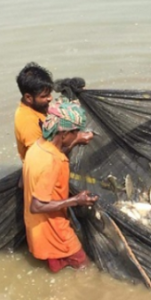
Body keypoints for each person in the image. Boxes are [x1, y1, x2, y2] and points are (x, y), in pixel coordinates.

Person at [22, 101, 97, 273]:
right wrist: (76, 200)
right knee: (85, 268)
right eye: (75, 132)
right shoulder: (53, 162)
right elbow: (37, 205)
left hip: (36, 230)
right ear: (63, 134)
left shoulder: (37, 147)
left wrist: (76, 141)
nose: (78, 134)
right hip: (55, 231)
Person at [14, 62, 54, 161]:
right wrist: (74, 141)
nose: (50, 98)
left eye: (49, 94)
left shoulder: (37, 107)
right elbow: (41, 159)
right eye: (44, 96)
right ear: (28, 97)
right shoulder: (28, 122)